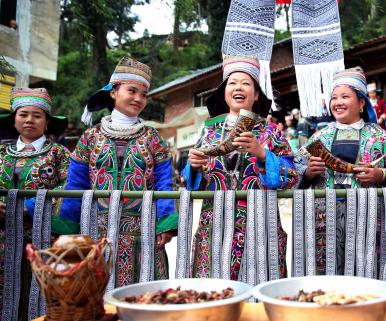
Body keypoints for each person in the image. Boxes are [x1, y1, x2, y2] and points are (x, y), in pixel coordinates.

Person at [60, 57, 176, 286]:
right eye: (132, 90)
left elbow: (164, 185)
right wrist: (67, 227)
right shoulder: (90, 138)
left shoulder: (153, 138)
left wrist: (166, 225)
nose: (138, 98)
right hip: (97, 231)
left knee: (145, 295)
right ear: (113, 92)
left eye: (143, 94)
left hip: (144, 232)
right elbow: (75, 186)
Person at [184, 56, 297, 280]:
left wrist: (263, 154)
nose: (238, 87)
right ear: (225, 93)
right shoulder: (209, 133)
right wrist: (194, 167)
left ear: (256, 95)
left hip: (260, 225)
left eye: (246, 83)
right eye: (232, 82)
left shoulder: (270, 132)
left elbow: (292, 175)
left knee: (258, 289)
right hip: (213, 226)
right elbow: (193, 182)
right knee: (215, 294)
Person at [294, 67, 386, 274]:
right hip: (324, 216)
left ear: (362, 102)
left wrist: (381, 174)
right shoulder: (319, 137)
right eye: (334, 97)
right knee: (327, 274)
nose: (338, 102)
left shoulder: (379, 137)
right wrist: (308, 172)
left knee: (365, 272)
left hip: (368, 217)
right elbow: (294, 167)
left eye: (345, 96)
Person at [0, 88, 70, 320]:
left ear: (47, 123)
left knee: (38, 295)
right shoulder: (0, 152)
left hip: (42, 238)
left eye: (37, 115)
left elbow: (69, 189)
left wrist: (28, 207)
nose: (30, 120)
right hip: (2, 237)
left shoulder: (59, 154)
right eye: (24, 114)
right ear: (14, 119)